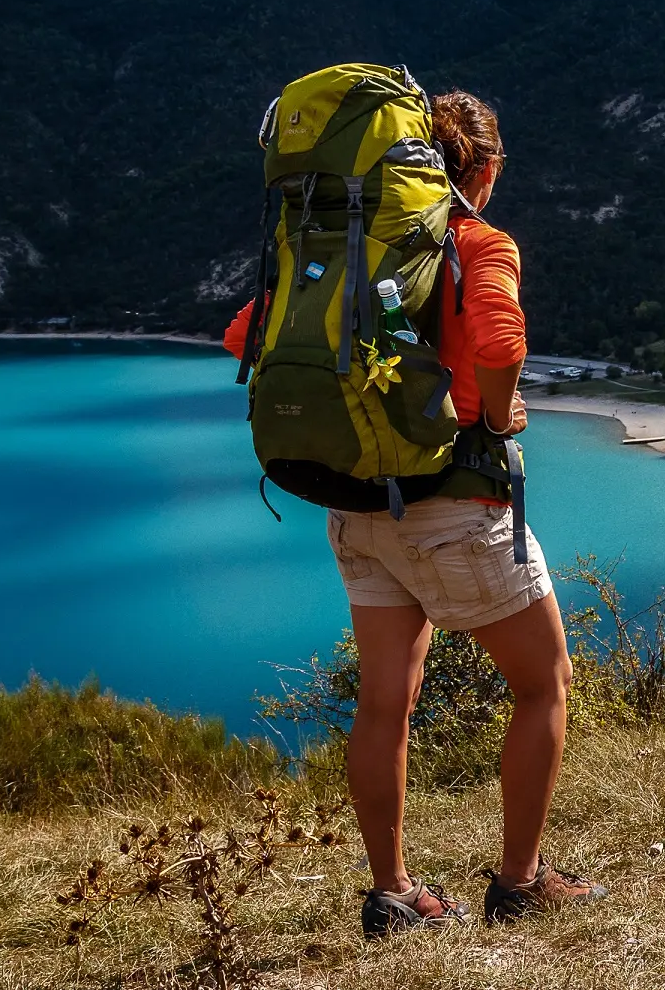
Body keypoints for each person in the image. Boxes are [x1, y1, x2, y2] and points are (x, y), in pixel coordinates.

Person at [223, 88, 605, 937]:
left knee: (384, 702)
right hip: (452, 506)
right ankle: (519, 880)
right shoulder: (475, 242)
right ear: (488, 168)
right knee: (545, 683)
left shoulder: (347, 249)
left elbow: (242, 336)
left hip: (357, 502)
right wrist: (497, 414)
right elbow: (503, 345)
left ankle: (394, 892)